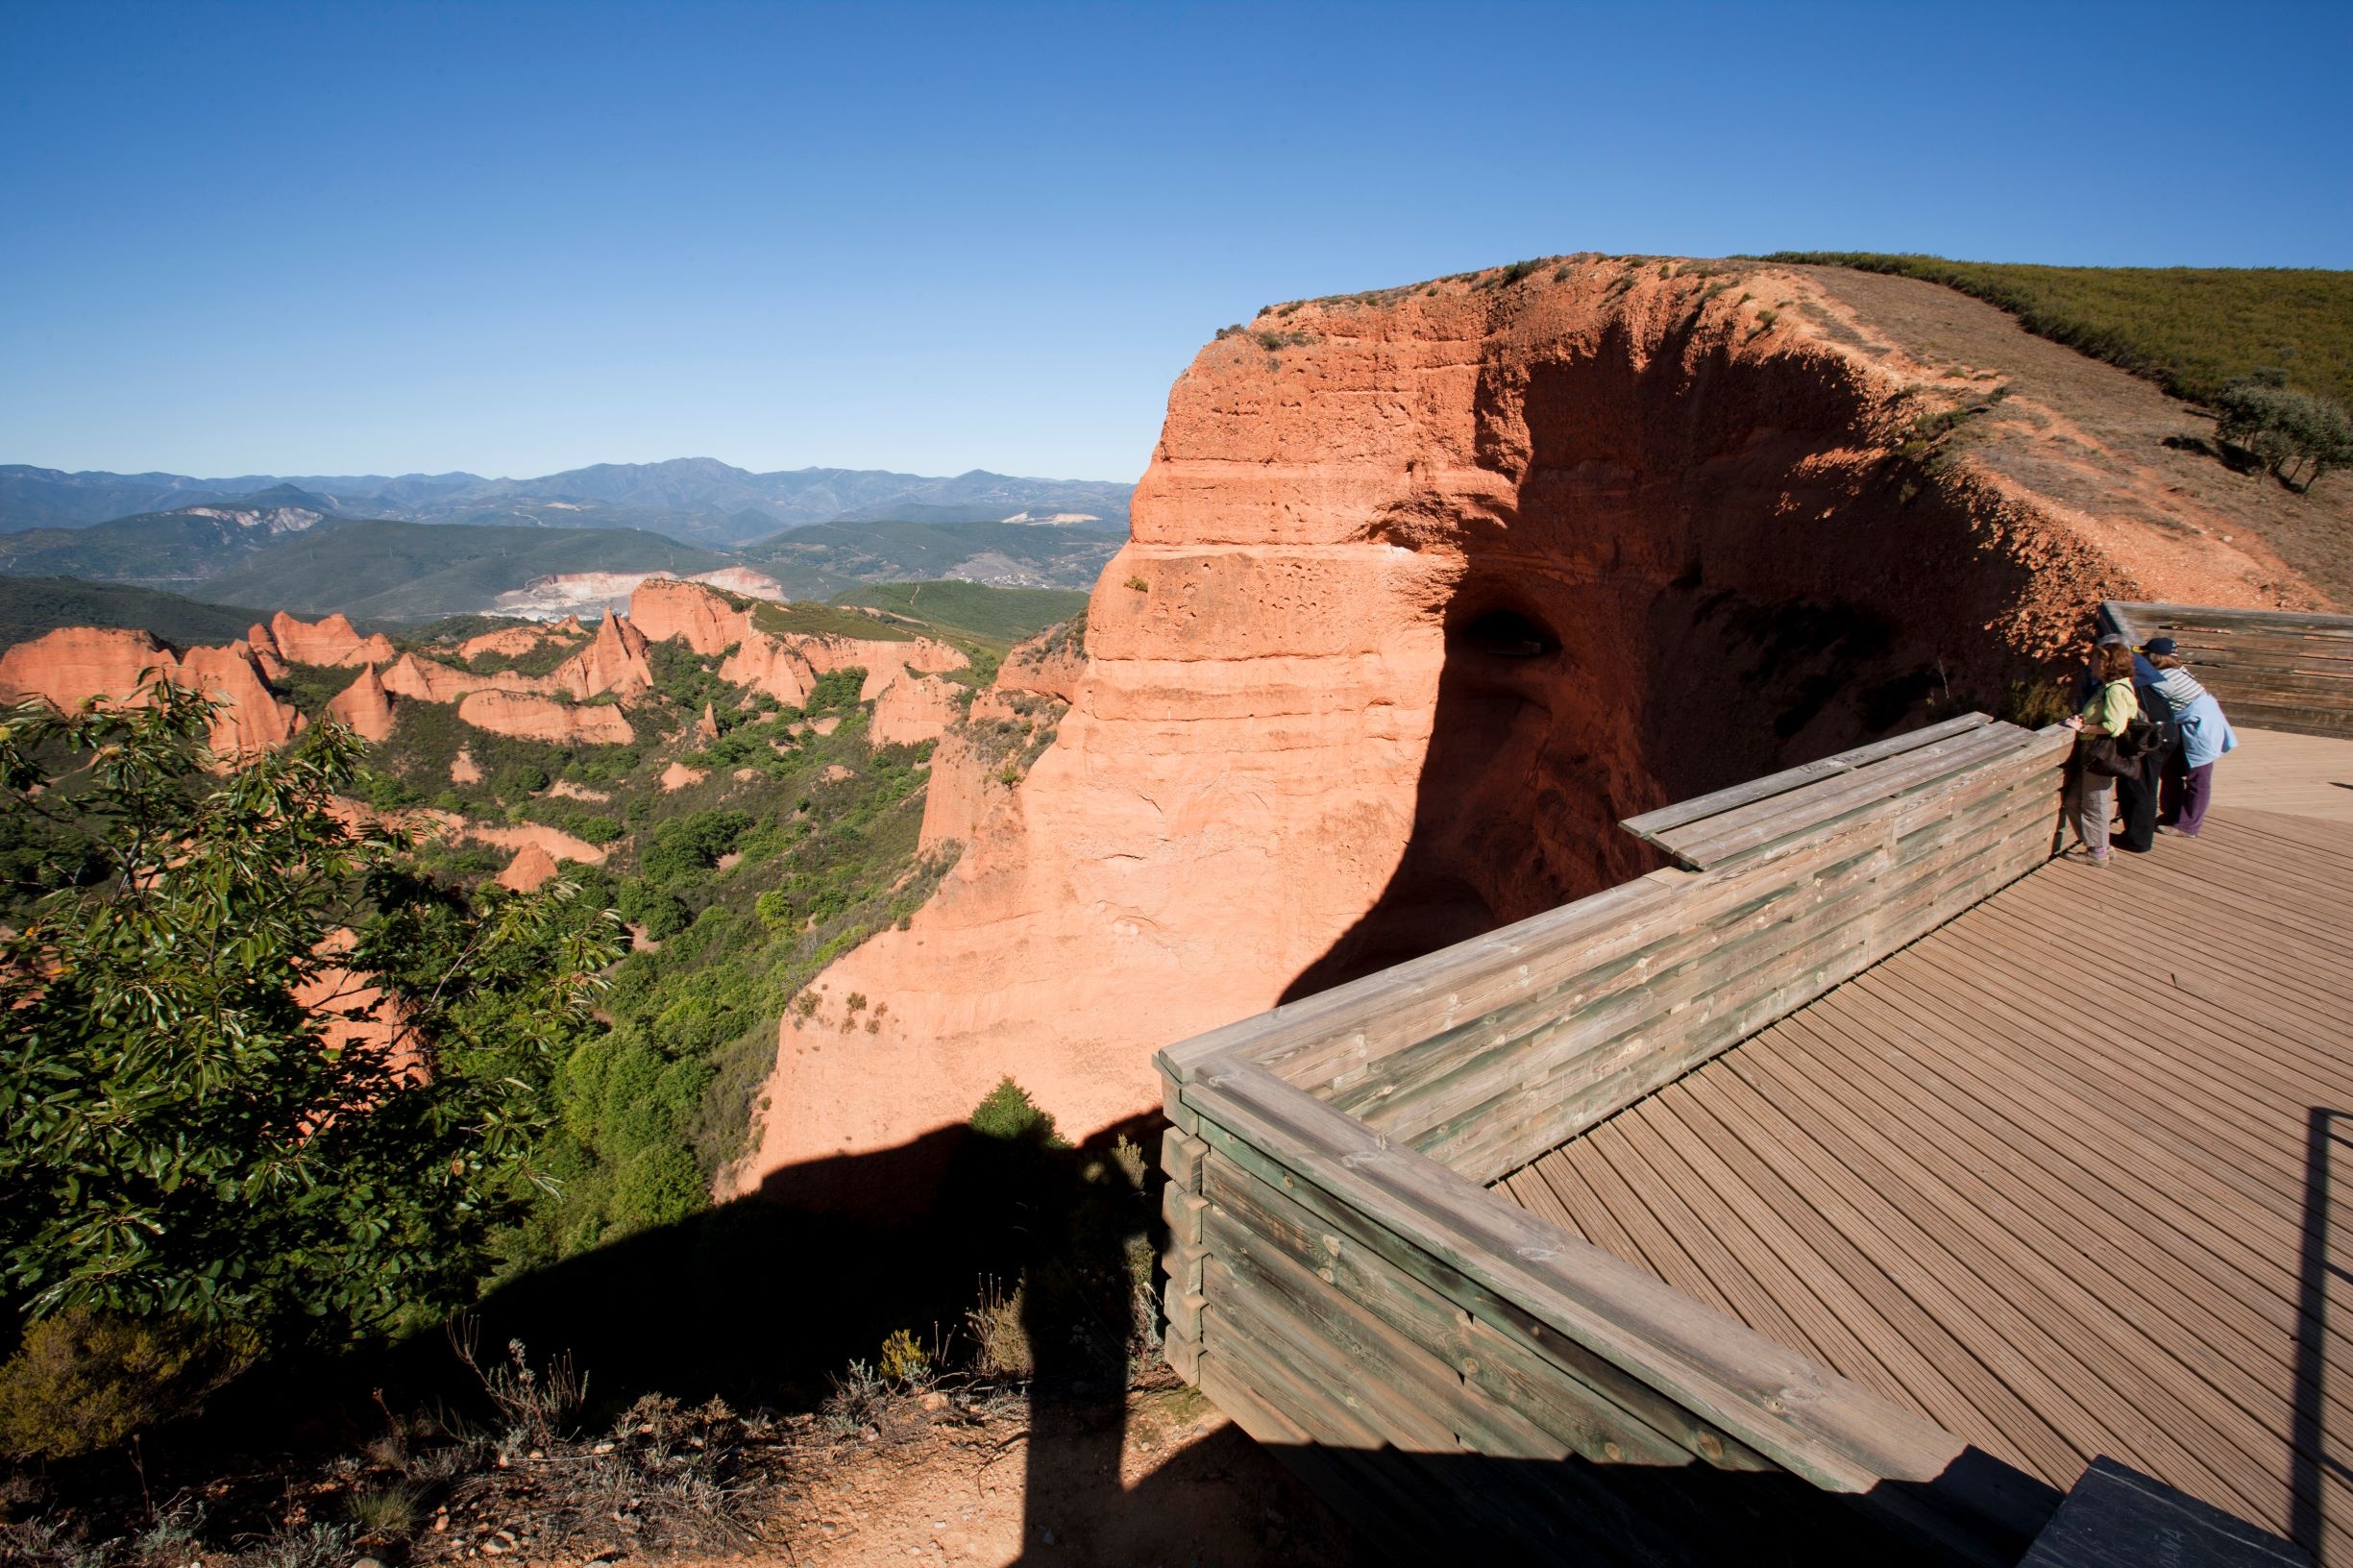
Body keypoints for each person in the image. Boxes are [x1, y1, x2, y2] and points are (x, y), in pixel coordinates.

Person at [2141, 636, 2238, 836]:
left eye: (2145, 654)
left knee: (2198, 778)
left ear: (2154, 657)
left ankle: (2188, 826)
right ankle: (2172, 815)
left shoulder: (2164, 679)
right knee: (2171, 771)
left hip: (2201, 729)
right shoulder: (2177, 671)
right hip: (2190, 725)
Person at [2063, 641, 2140, 865]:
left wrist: (2084, 728)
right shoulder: (2112, 687)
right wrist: (2086, 719)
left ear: (2108, 663)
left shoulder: (2115, 690)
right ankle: (2102, 846)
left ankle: (2097, 853)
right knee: (2074, 801)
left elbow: (2115, 726)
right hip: (2095, 754)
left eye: (2096, 660)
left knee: (2094, 802)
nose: (2091, 664)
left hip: (2100, 754)